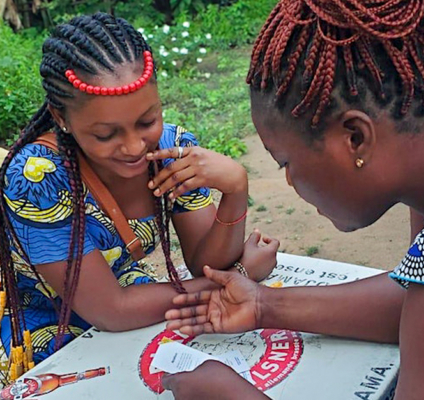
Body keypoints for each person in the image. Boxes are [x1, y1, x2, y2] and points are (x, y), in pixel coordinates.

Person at [162, 0, 424, 399]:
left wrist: (232, 395)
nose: (288, 181)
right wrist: (264, 305)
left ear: (355, 137)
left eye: (286, 162)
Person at [0, 12, 279, 383]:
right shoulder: (39, 179)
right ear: (61, 118)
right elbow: (111, 310)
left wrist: (234, 191)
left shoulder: (170, 152)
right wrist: (241, 276)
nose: (134, 147)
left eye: (147, 122)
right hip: (44, 324)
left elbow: (205, 264)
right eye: (105, 134)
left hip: (136, 304)